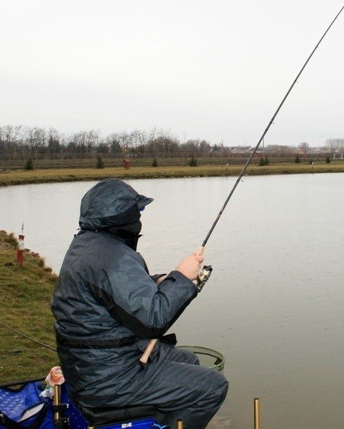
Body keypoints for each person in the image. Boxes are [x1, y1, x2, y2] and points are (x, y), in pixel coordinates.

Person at [50, 178, 228, 428]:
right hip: (108, 378)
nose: (140, 217)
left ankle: (160, 422)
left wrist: (162, 281)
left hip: (92, 366)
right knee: (213, 386)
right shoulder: (111, 257)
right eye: (139, 211)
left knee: (188, 360)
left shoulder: (89, 245)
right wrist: (182, 278)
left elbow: (118, 292)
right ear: (125, 218)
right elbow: (153, 321)